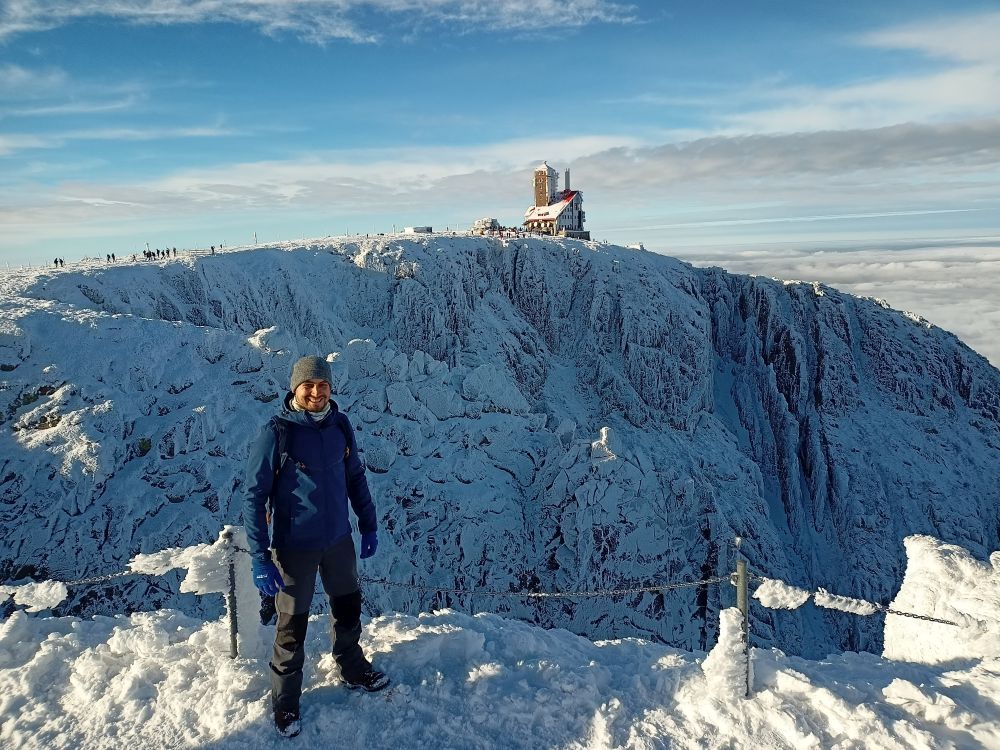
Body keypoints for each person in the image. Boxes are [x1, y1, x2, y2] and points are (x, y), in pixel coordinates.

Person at [242, 355, 387, 738]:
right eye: (308, 385)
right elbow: (254, 497)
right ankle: (285, 702)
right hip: (295, 547)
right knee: (291, 626)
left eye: (322, 385)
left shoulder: (341, 426)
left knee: (348, 609)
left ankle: (353, 667)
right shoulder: (277, 433)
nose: (316, 392)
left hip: (338, 540)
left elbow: (355, 476)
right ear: (295, 388)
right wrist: (260, 557)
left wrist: (368, 524)